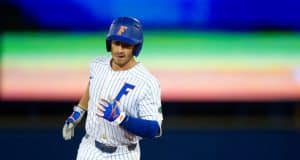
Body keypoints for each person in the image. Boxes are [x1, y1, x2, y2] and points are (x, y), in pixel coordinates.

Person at [62, 16, 163, 160]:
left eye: (126, 45)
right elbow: (92, 86)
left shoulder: (147, 82)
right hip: (89, 148)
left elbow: (154, 129)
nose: (120, 50)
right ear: (110, 44)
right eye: (116, 43)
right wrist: (77, 113)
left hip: (123, 153)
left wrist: (121, 118)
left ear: (136, 47)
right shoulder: (97, 65)